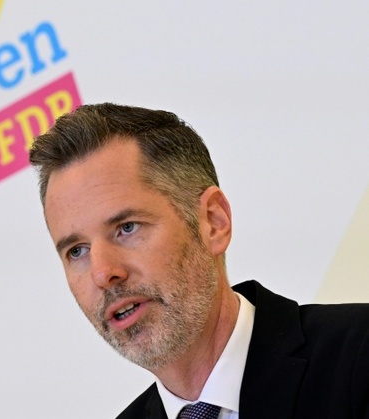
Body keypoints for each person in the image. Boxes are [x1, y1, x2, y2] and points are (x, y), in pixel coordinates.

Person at [28, 103, 369, 419]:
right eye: (77, 251)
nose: (103, 273)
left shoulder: (358, 357)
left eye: (127, 228)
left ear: (213, 222)